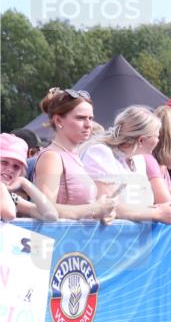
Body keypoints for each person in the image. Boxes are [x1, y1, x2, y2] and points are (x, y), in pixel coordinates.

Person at [80, 106, 171, 224]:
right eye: (157, 136)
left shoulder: (139, 159)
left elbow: (141, 205)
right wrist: (156, 213)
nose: (158, 141)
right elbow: (106, 206)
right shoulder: (100, 152)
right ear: (141, 140)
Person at [32, 88, 118, 222]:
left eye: (90, 118)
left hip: (76, 240)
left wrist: (103, 213)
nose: (88, 124)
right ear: (58, 121)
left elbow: (82, 208)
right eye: (81, 118)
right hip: (58, 240)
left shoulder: (73, 156)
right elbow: (45, 209)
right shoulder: (52, 157)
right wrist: (95, 208)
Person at [1, 133, 58, 221]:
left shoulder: (9, 196)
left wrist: (24, 182)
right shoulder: (3, 192)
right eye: (4, 162)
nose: (10, 169)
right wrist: (2, 186)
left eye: (16, 166)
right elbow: (9, 214)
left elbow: (51, 216)